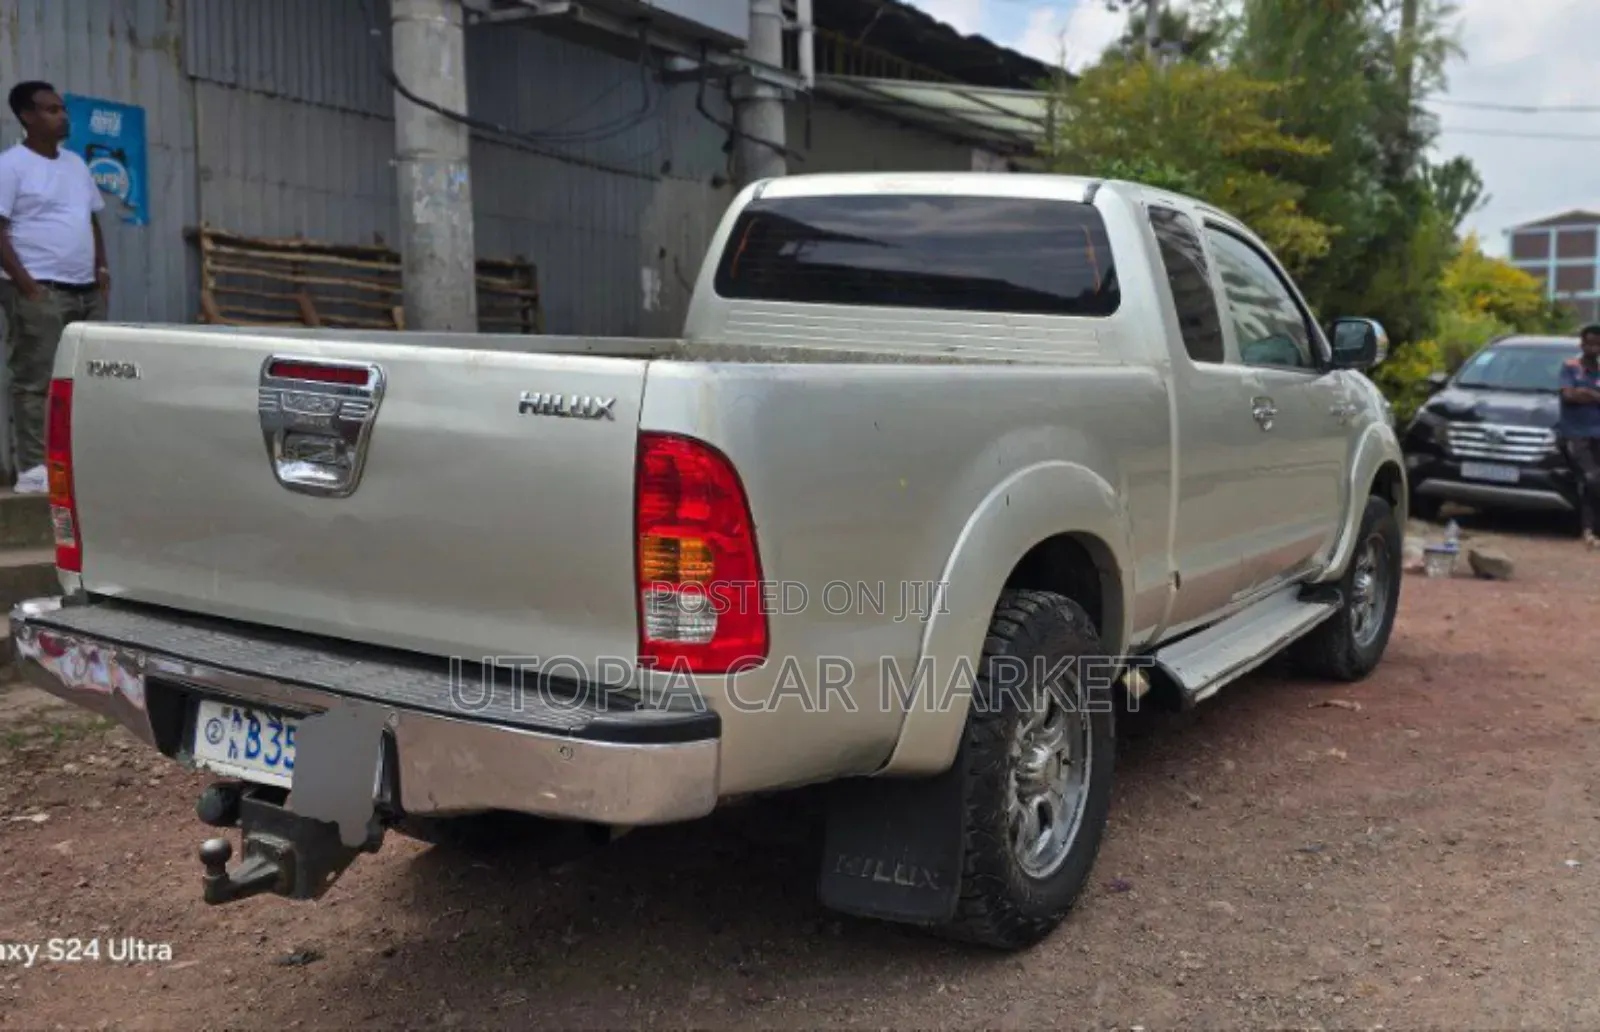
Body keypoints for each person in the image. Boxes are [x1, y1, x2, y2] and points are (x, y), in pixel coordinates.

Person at [0, 80, 109, 494]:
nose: (61, 116)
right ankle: (32, 469)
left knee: (87, 380)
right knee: (35, 378)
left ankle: (75, 461)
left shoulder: (76, 165)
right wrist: (27, 287)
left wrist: (103, 272)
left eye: (62, 108)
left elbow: (93, 220)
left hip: (85, 291)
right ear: (27, 117)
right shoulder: (10, 166)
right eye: (50, 110)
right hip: (38, 290)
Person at [1558, 324, 1600, 550]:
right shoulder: (1570, 366)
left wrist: (1584, 394)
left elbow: (1578, 394)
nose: (1592, 348)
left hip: (1597, 434)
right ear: (1581, 344)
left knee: (1589, 483)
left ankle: (1589, 530)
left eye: (1597, 344)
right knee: (1592, 477)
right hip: (1576, 434)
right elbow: (1569, 395)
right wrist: (1593, 394)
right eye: (1589, 343)